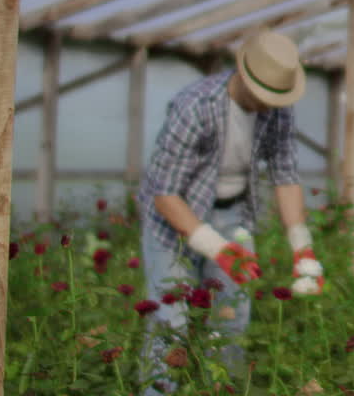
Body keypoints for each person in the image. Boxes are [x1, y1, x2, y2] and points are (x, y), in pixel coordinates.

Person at [138, 29, 325, 394]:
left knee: (232, 319)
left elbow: (285, 177)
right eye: (265, 96)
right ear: (243, 74)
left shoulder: (279, 112)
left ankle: (220, 389)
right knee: (170, 321)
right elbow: (165, 195)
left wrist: (302, 246)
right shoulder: (195, 107)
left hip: (233, 216)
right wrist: (217, 249)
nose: (271, 104)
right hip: (174, 220)